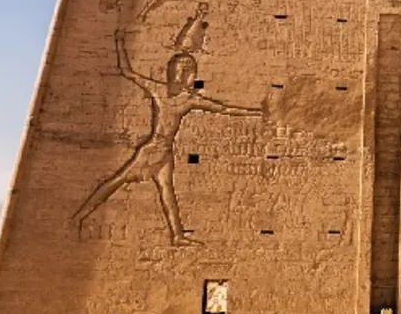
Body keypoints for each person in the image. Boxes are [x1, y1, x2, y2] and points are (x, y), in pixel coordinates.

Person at [73, 30, 263, 245]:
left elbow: (224, 109)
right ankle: (78, 217)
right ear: (176, 72)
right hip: (152, 149)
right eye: (185, 70)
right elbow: (127, 71)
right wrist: (119, 42)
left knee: (166, 192)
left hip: (165, 152)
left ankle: (177, 235)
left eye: (190, 70)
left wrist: (256, 112)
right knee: (117, 182)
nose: (188, 75)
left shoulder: (188, 99)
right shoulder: (161, 91)